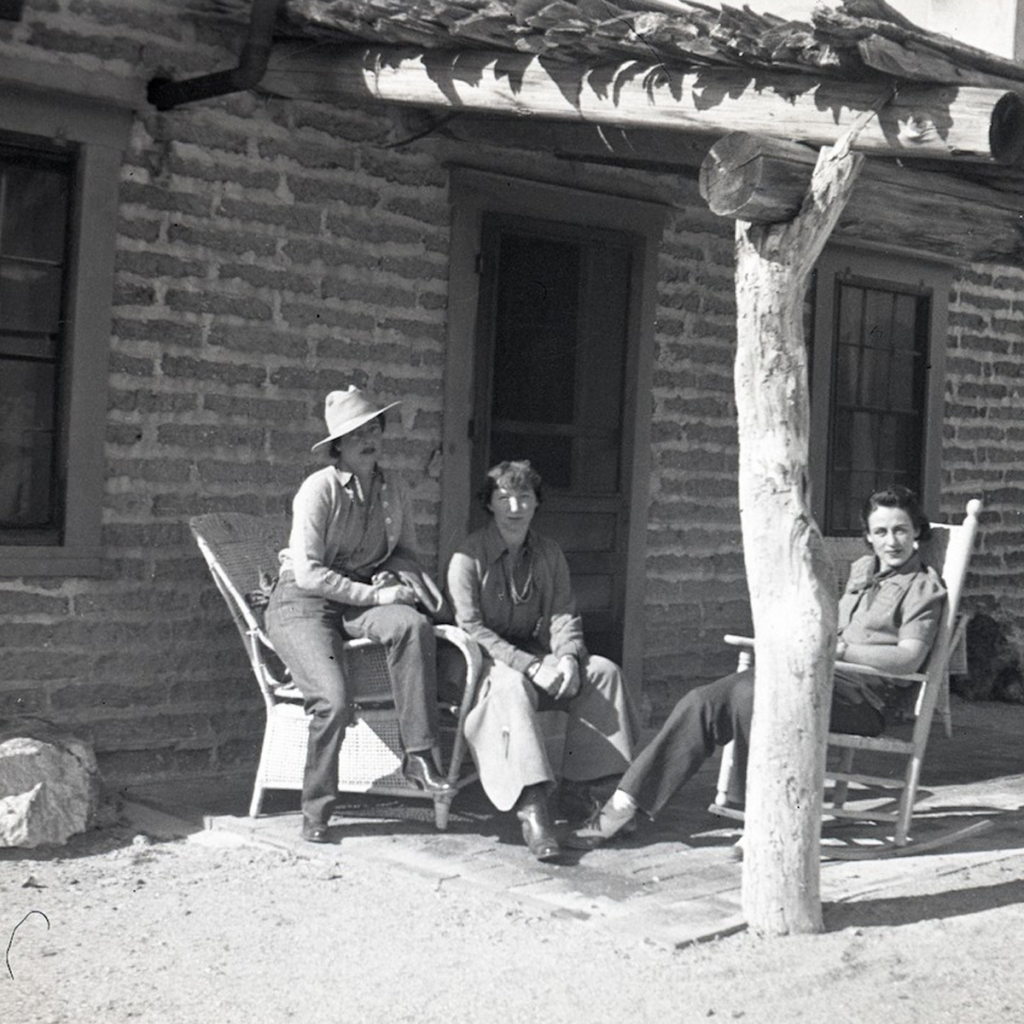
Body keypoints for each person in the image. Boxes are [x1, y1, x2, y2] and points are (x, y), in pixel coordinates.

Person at [568, 484, 948, 849]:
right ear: (868, 536)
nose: (891, 541)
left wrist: (840, 650)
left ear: (917, 532)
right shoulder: (864, 572)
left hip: (865, 699)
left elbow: (908, 658)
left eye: (901, 530)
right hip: (817, 678)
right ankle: (623, 806)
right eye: (880, 531)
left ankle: (762, 817)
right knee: (704, 700)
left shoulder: (922, 588)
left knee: (755, 696)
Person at [265, 386, 452, 844]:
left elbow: (403, 550)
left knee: (412, 624)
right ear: (338, 447)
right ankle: (317, 810)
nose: (368, 439)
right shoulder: (320, 488)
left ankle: (420, 755)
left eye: (373, 428)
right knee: (332, 699)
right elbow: (308, 573)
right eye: (355, 434)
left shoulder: (394, 489)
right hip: (301, 605)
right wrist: (374, 596)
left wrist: (393, 579)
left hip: (362, 597)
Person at [446, 460, 637, 862]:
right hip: (481, 660)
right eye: (504, 498)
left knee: (602, 673)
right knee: (511, 688)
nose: (515, 508)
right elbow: (472, 629)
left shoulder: (548, 554)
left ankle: (594, 794)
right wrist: (531, 667)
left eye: (524, 498)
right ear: (490, 505)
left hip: (535, 652)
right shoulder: (468, 556)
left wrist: (567, 657)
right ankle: (533, 810)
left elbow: (562, 614)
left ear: (536, 503)